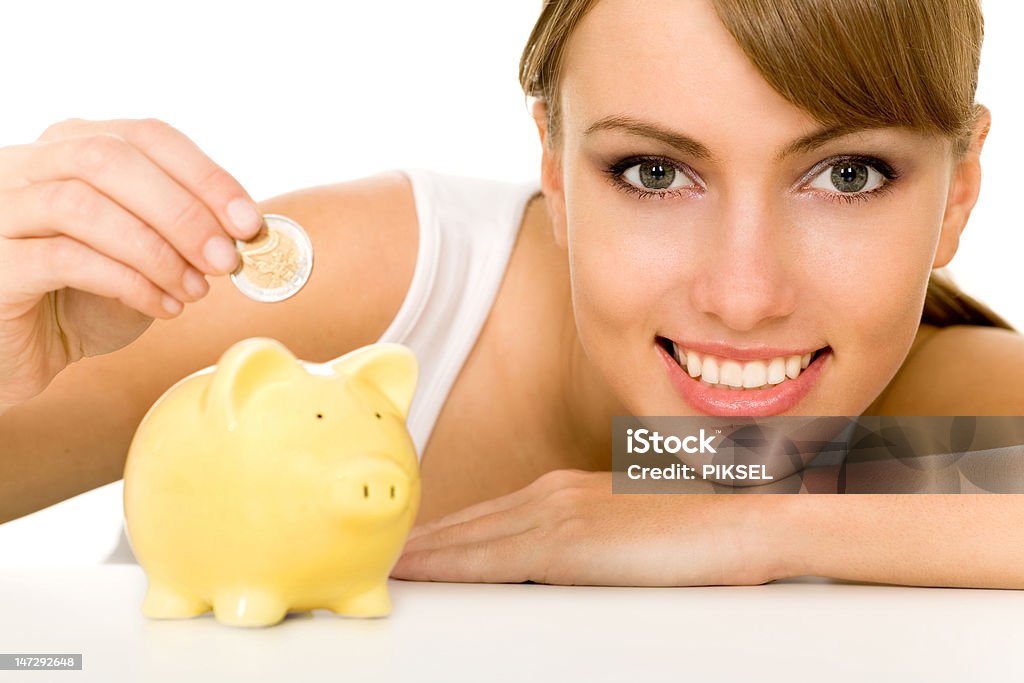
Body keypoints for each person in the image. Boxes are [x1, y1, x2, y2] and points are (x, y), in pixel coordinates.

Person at [2, 0, 1024, 588]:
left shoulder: (937, 410)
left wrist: (755, 520)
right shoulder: (390, 292)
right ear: (551, 158)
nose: (744, 295)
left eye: (846, 176)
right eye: (654, 173)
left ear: (957, 192)